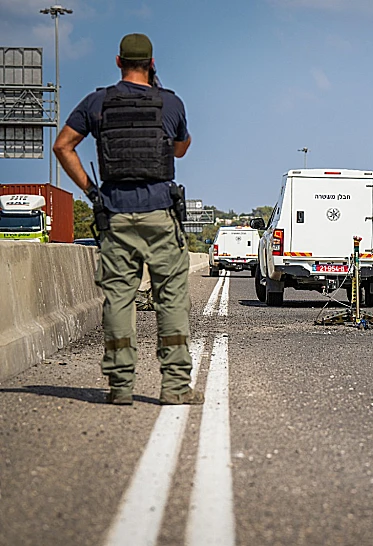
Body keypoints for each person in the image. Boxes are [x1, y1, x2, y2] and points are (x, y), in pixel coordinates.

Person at [53, 33, 202, 406]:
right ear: (151, 63)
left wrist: (92, 193)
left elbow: (63, 146)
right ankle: (175, 387)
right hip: (160, 214)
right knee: (171, 301)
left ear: (118, 61)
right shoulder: (170, 103)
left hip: (116, 214)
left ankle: (120, 386)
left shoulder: (97, 102)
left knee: (119, 300)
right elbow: (181, 149)